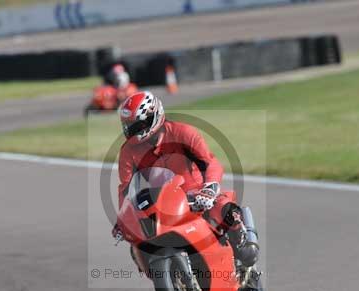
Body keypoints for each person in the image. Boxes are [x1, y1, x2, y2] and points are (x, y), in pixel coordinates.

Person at [111, 91, 259, 269]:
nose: (133, 131)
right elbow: (125, 189)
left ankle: (243, 242)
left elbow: (210, 162)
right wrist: (123, 218)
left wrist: (210, 188)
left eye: (138, 125)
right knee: (137, 243)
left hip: (198, 195)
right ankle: (170, 277)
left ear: (154, 116)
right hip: (162, 203)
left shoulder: (183, 132)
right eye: (129, 127)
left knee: (223, 208)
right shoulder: (128, 151)